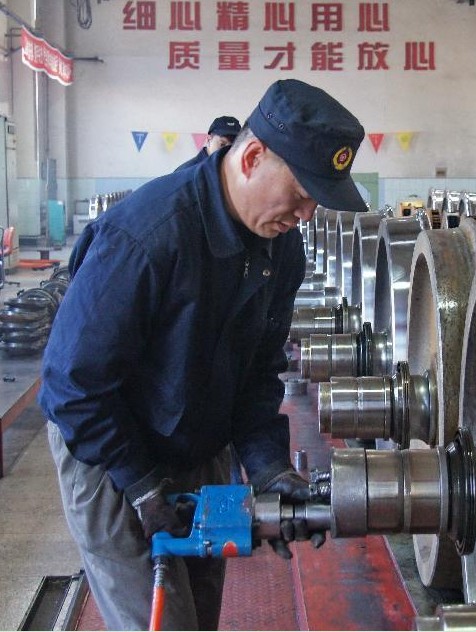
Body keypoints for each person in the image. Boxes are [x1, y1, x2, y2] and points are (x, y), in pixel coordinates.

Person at [39, 79, 367, 630]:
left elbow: (260, 371)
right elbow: (73, 385)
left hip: (197, 439)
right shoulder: (148, 235)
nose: (307, 213)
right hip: (110, 450)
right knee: (163, 622)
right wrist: (141, 485)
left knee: (201, 610)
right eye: (301, 191)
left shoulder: (280, 247)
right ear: (253, 157)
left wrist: (268, 468)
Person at [174, 115, 242, 171]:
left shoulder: (236, 171)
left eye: (234, 146)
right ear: (209, 140)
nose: (228, 151)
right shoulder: (187, 171)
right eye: (222, 144)